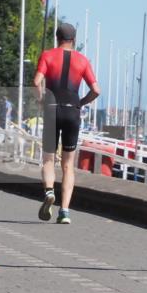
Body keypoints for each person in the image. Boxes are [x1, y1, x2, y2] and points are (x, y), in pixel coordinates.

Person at [33, 22, 100, 224]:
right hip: (72, 111)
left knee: (48, 159)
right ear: (74, 40)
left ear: (57, 38)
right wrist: (81, 103)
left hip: (52, 109)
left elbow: (36, 82)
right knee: (68, 165)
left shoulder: (47, 55)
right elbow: (96, 90)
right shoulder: (83, 60)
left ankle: (49, 191)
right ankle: (64, 212)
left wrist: (41, 99)